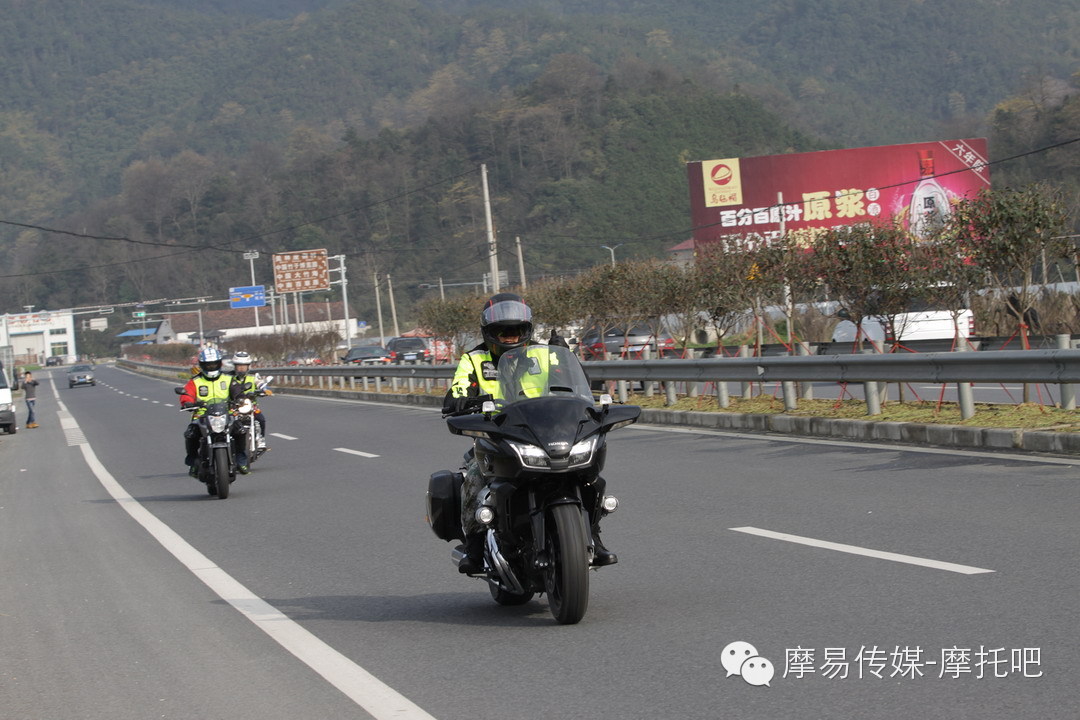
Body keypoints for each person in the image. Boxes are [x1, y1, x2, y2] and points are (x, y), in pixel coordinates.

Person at [442, 292, 616, 573]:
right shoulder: (474, 359)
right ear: (489, 332)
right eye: (503, 331)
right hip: (496, 435)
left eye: (516, 330)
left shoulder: (544, 355)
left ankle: (593, 535)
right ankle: (474, 547)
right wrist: (461, 397)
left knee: (588, 476)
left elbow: (576, 387)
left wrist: (567, 357)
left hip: (545, 431)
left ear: (527, 330)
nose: (510, 337)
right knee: (473, 479)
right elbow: (459, 388)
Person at [179, 347, 235, 477]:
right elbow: (187, 394)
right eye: (208, 364)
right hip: (202, 415)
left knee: (240, 430)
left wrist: (240, 398)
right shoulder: (195, 381)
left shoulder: (228, 379)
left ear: (219, 363)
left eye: (214, 363)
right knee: (191, 434)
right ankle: (193, 462)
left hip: (226, 413)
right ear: (202, 365)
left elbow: (237, 390)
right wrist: (187, 402)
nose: (211, 367)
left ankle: (242, 458)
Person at [230, 350, 270, 464]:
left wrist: (264, 389)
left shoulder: (253, 377)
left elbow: (260, 383)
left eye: (244, 366)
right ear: (235, 366)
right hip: (234, 407)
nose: (241, 368)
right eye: (239, 366)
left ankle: (261, 439)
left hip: (250, 406)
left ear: (248, 366)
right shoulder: (229, 378)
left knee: (261, 419)